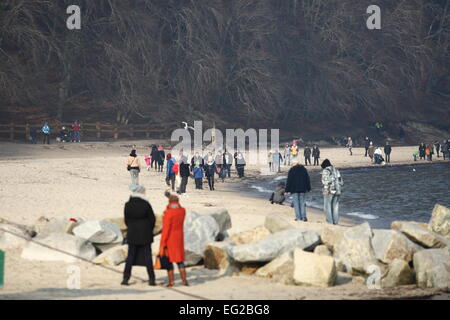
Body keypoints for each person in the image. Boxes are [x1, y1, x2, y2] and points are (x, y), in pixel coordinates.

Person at [122, 184, 156, 286]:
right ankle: (151, 279)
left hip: (132, 233)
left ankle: (126, 278)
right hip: (145, 233)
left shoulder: (128, 204)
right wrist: (149, 229)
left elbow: (126, 220)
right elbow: (152, 219)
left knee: (130, 257)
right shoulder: (146, 204)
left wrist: (131, 227)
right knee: (147, 257)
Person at [160, 191, 188, 287]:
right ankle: (184, 280)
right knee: (180, 260)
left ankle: (171, 281)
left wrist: (162, 243)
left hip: (170, 239)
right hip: (179, 237)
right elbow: (179, 207)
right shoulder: (182, 211)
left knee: (169, 260)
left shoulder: (168, 213)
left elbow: (166, 229)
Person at [285, 157, 311, 222]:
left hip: (294, 189)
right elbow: (307, 179)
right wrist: (308, 188)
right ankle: (303, 217)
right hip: (302, 189)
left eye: (292, 163)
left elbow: (289, 181)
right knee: (302, 203)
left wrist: (286, 190)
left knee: (296, 204)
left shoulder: (291, 170)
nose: (291, 164)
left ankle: (298, 217)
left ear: (294, 163)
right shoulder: (304, 169)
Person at [321, 159, 343, 225]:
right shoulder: (336, 170)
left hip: (330, 190)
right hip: (338, 190)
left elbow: (326, 182)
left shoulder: (325, 171)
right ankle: (335, 222)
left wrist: (326, 190)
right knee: (335, 207)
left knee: (327, 207)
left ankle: (330, 222)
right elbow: (341, 182)